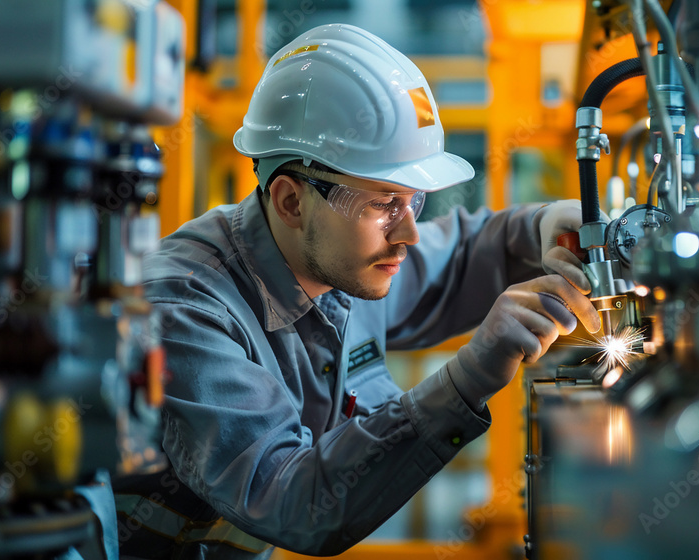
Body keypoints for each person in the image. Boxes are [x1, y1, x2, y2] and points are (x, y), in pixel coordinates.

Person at [112, 23, 599, 559]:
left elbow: (456, 257)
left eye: (412, 202)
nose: (408, 232)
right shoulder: (186, 310)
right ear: (291, 201)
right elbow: (291, 499)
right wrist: (467, 378)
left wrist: (542, 227)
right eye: (382, 203)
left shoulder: (344, 265)